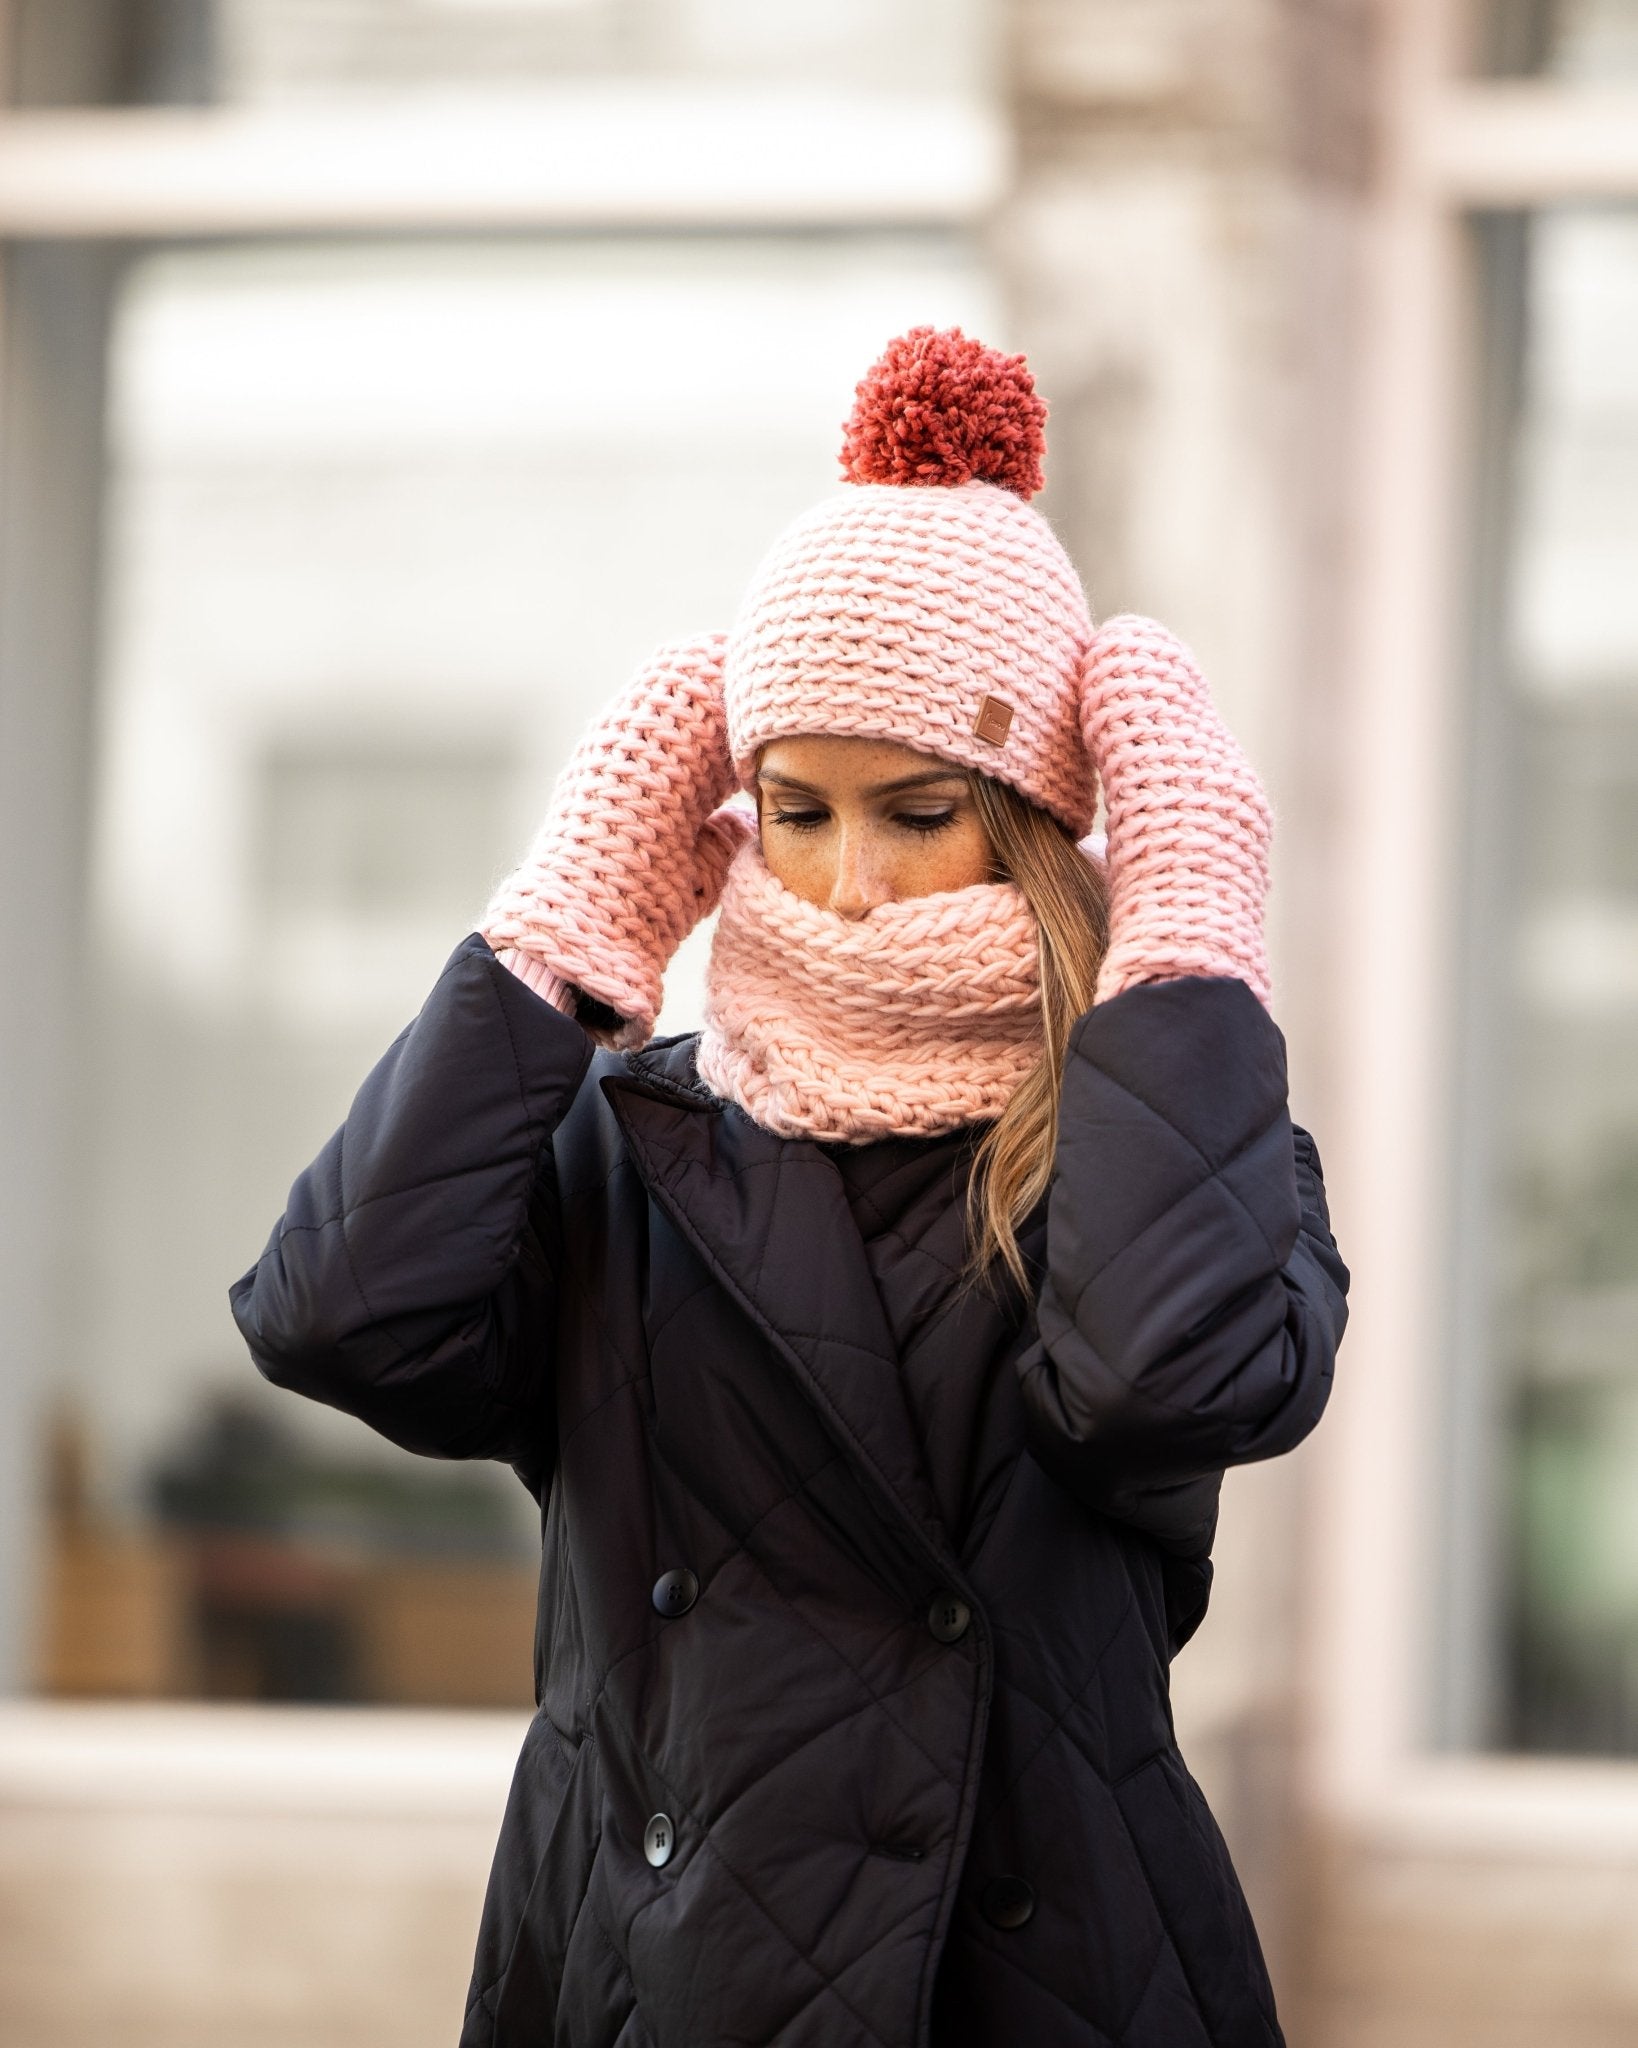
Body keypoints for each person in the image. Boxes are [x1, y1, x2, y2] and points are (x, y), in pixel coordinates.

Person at [230, 327, 1349, 2048]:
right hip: (644, 1960)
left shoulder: (1179, 1142)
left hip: (1045, 1976)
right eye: (795, 809)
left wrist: (1186, 939)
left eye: (915, 811)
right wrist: (564, 932)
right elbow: (339, 1319)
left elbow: (1157, 1389)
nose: (842, 884)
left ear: (1041, 825)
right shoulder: (630, 1137)